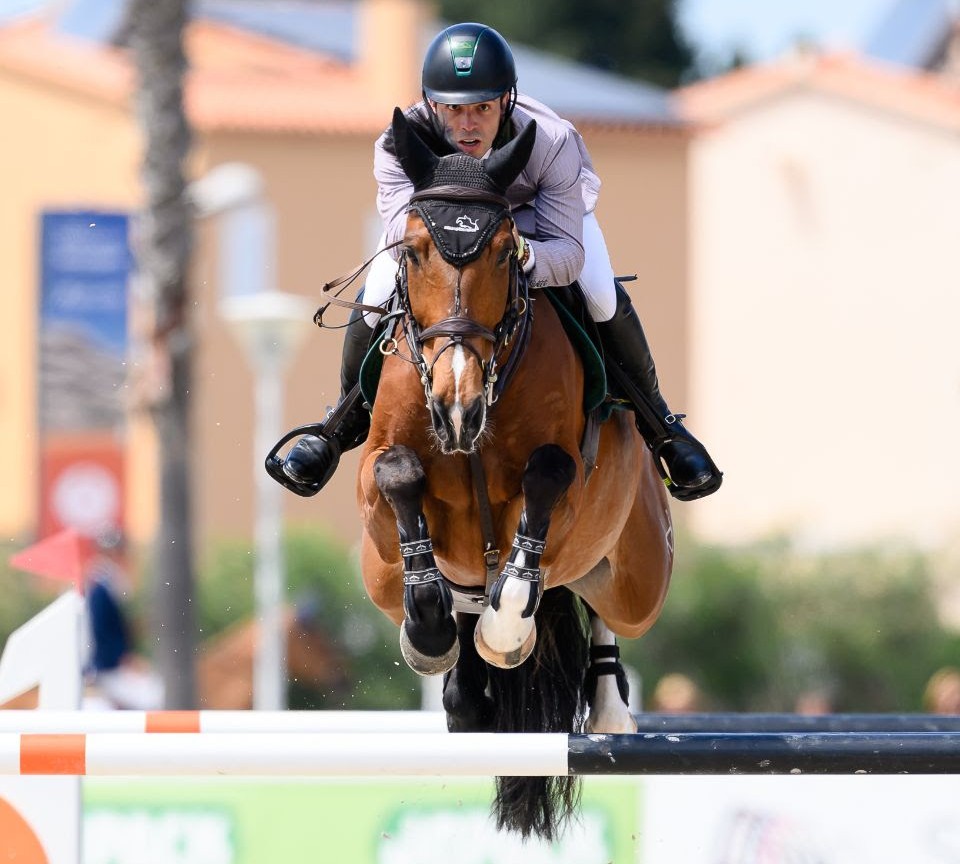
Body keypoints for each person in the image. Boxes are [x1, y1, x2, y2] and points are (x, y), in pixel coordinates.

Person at [279, 22, 721, 501]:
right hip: (445, 235)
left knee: (597, 288)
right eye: (454, 109)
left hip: (537, 225)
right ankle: (341, 423)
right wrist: (457, 247)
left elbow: (568, 255)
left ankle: (662, 428)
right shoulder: (399, 143)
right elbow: (398, 231)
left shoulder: (552, 140)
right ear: (432, 104)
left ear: (507, 101)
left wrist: (518, 254)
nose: (468, 125)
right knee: (382, 281)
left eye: (483, 109)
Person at [83, 529, 164, 710]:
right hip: (105, 668)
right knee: (155, 698)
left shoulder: (105, 584)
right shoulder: (102, 588)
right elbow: (100, 631)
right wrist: (123, 658)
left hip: (106, 663)